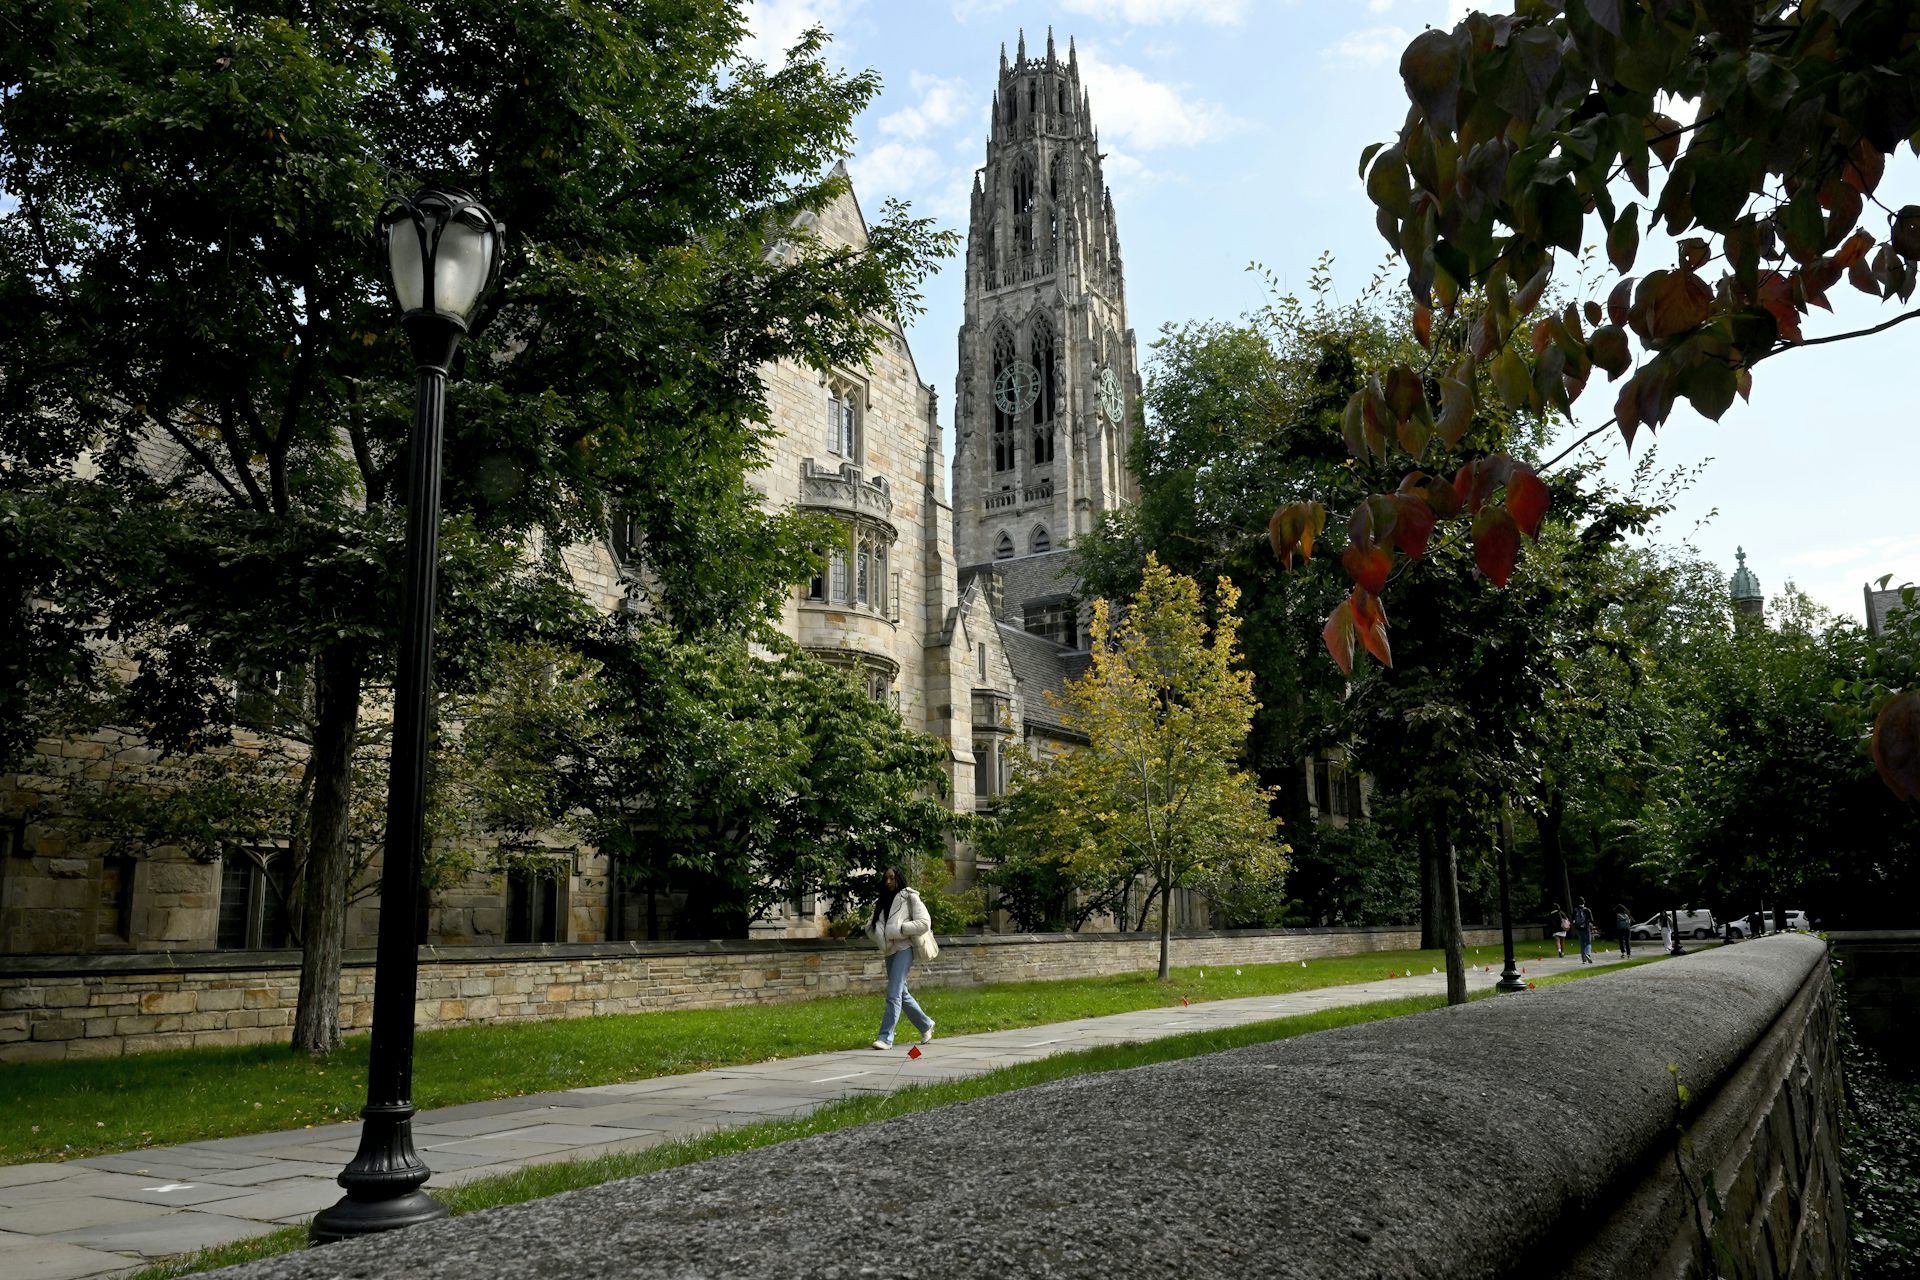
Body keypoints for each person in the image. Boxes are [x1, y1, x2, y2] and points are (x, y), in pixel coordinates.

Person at [865, 865, 935, 1050]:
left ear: (899, 878)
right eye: (886, 878)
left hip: (905, 947)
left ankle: (885, 1037)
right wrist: (876, 934)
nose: (888, 881)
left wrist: (901, 929)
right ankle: (926, 1024)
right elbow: (872, 925)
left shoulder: (910, 897)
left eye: (892, 878)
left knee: (893, 992)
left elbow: (924, 923)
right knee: (901, 993)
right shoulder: (881, 900)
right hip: (889, 950)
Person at [1571, 897, 1597, 964]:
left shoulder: (1575, 910)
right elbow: (1591, 920)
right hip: (1586, 928)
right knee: (1588, 942)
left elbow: (1573, 920)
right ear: (1584, 902)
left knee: (1582, 943)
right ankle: (1588, 954)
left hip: (1579, 928)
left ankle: (1584, 960)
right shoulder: (1587, 910)